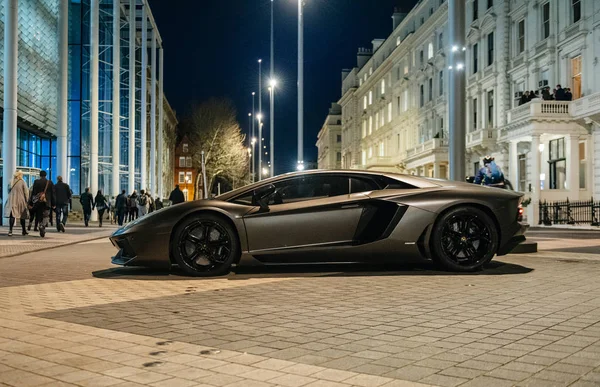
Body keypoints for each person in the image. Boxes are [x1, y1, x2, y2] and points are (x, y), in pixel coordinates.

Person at [3, 170, 29, 236]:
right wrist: (27, 201)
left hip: (12, 200)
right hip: (20, 201)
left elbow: (8, 191)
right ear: (20, 175)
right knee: (22, 216)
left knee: (12, 216)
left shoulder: (11, 182)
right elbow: (26, 193)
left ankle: (10, 231)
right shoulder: (22, 182)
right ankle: (23, 230)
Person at [30, 170, 55, 238]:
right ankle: (42, 225)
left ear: (40, 175)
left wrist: (31, 203)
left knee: (39, 216)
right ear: (46, 175)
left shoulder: (36, 182)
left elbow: (33, 193)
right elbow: (53, 194)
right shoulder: (49, 182)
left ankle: (40, 225)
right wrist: (54, 203)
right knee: (46, 215)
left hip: (38, 202)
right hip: (47, 202)